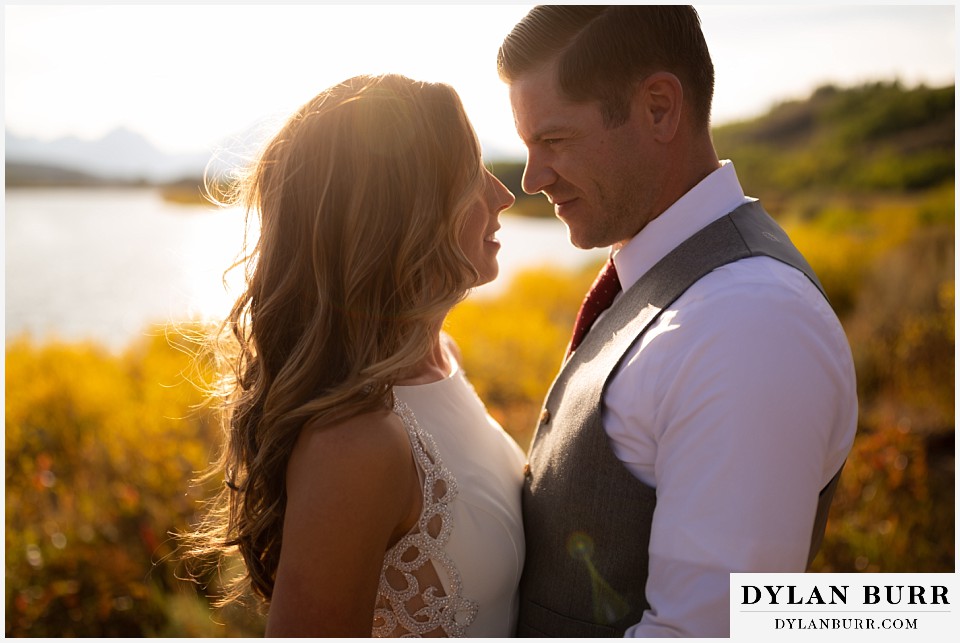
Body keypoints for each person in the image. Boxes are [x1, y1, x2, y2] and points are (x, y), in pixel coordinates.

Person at [497, 5, 858, 638]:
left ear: (660, 107)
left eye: (553, 141)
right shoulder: (666, 274)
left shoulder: (750, 323)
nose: (532, 179)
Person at [184, 73, 524, 636]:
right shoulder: (357, 444)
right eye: (472, 173)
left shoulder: (444, 358)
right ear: (405, 212)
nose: (502, 194)